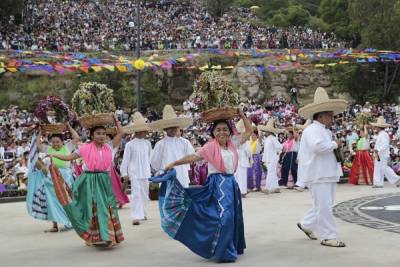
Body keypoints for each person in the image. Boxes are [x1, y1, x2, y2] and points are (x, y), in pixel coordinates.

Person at [150, 108, 252, 262]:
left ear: (230, 132)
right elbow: (193, 157)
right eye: (218, 130)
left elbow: (249, 130)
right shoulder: (210, 147)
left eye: (225, 129)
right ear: (213, 133)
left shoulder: (233, 144)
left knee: (233, 216)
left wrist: (242, 115)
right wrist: (174, 163)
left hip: (231, 184)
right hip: (218, 185)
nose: (222, 132)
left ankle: (230, 245)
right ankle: (222, 251)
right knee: (225, 217)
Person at [48, 115, 124, 247]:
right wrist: (54, 155)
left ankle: (108, 236)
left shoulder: (110, 147)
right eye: (98, 133)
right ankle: (93, 236)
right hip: (88, 182)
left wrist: (116, 121)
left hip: (104, 182)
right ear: (92, 135)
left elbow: (121, 133)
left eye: (103, 134)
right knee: (91, 209)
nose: (101, 136)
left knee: (106, 208)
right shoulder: (84, 148)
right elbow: (69, 157)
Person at [296, 87, 347, 247]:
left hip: (325, 172)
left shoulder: (322, 130)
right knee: (324, 206)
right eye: (330, 115)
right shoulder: (312, 130)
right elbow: (317, 147)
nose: (333, 118)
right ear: (322, 115)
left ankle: (306, 224)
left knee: (324, 204)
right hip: (318, 174)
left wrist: (333, 144)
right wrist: (334, 144)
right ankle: (328, 236)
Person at [26, 123, 79, 233]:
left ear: (62, 142)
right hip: (51, 179)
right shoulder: (48, 149)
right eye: (53, 142)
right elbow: (38, 144)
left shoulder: (67, 147)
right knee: (51, 201)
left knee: (66, 200)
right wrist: (41, 131)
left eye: (58, 142)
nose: (55, 144)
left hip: (66, 178)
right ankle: (55, 225)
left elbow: (76, 138)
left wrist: (69, 127)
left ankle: (69, 221)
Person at [150, 105, 194, 188]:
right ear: (165, 129)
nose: (173, 129)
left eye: (175, 127)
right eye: (170, 127)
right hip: (167, 179)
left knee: (184, 200)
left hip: (182, 178)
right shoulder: (160, 144)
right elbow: (155, 163)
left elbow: (191, 157)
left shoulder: (185, 142)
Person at [120, 112, 152, 226]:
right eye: (144, 131)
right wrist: (124, 172)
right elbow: (126, 160)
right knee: (136, 193)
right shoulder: (130, 145)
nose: (145, 133)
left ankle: (143, 212)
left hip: (145, 172)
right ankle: (136, 216)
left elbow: (150, 158)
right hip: (134, 172)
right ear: (137, 131)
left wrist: (154, 170)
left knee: (144, 193)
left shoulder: (148, 143)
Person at [371, 117, 400, 188]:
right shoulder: (381, 134)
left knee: (383, 168)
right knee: (381, 168)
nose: (375, 128)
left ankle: (395, 179)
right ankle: (379, 183)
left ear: (379, 127)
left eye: (376, 127)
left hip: (382, 154)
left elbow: (385, 144)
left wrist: (378, 150)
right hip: (380, 154)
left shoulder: (383, 134)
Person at [258, 119, 283, 194]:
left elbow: (280, 147)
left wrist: (276, 155)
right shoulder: (268, 139)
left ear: (269, 131)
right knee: (272, 172)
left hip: (273, 158)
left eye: (266, 131)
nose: (265, 132)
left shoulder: (273, 138)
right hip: (268, 158)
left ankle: (267, 188)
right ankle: (276, 187)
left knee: (271, 173)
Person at [234, 119, 251, 197]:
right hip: (243, 158)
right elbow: (248, 151)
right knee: (242, 176)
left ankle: (238, 191)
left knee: (237, 176)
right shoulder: (246, 140)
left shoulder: (235, 138)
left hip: (236, 159)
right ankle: (243, 191)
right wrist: (250, 157)